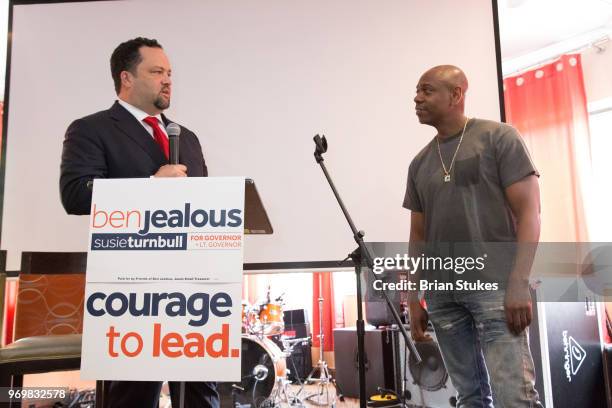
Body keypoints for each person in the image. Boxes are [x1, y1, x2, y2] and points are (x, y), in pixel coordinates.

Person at [60, 37, 218, 408]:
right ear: (126, 78)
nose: (168, 80)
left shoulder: (186, 137)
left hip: (195, 286)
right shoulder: (91, 129)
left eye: (170, 73)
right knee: (134, 392)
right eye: (157, 71)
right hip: (132, 289)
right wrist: (149, 187)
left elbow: (204, 203)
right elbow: (76, 194)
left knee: (202, 391)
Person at [404, 65, 543, 407]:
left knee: (515, 398)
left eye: (426, 90)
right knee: (469, 397)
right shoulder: (419, 164)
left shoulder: (499, 137)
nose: (417, 98)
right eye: (417, 91)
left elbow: (530, 213)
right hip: (443, 298)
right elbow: (418, 236)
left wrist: (518, 282)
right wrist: (412, 295)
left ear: (456, 94)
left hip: (495, 289)